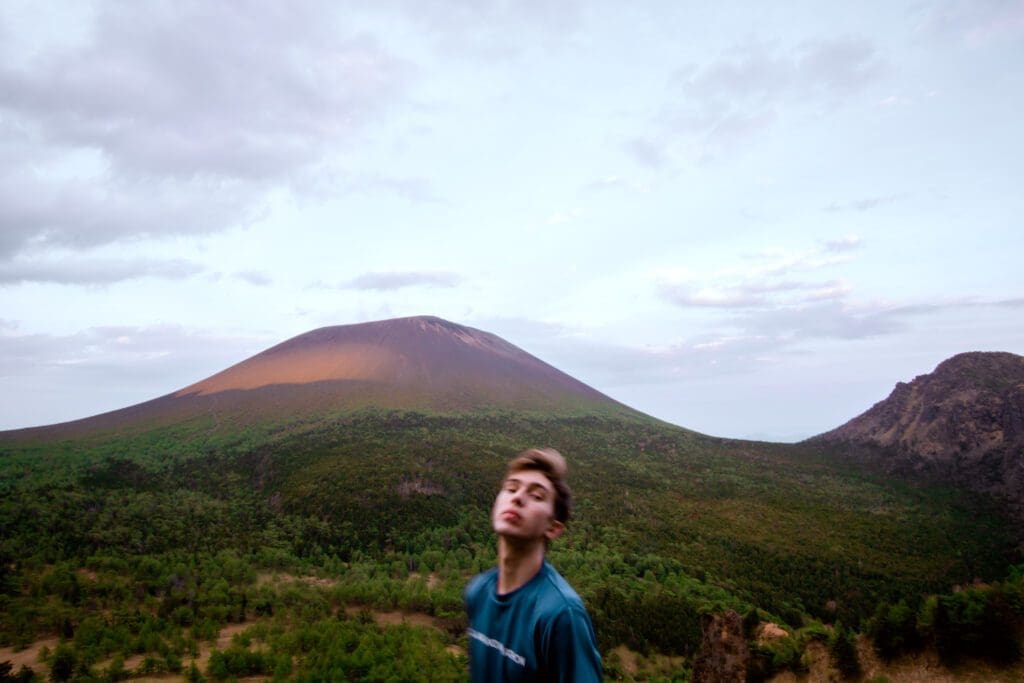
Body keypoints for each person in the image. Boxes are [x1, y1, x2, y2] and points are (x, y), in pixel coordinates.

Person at [464, 448, 602, 682]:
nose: (517, 498)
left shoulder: (560, 615)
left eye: (537, 496)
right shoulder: (477, 592)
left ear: (553, 528)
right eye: (511, 488)